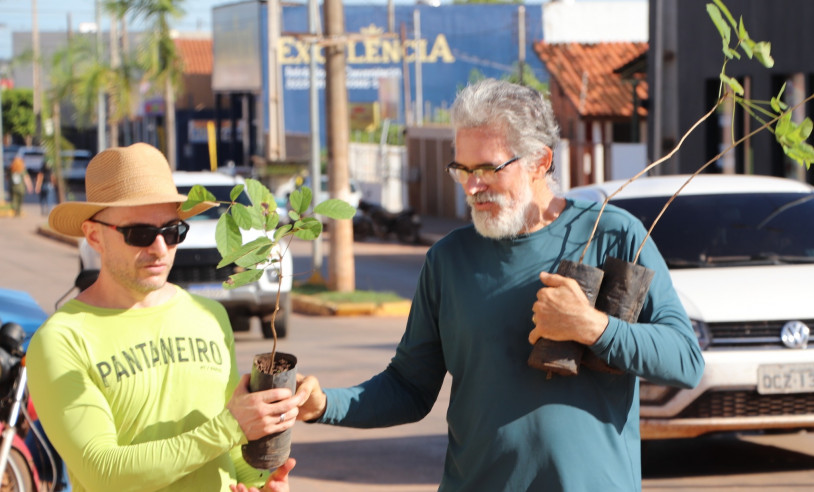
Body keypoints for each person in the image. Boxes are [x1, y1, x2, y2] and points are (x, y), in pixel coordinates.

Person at [293, 79, 705, 491]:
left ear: (540, 162)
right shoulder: (448, 260)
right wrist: (325, 404)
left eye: (488, 168)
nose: (472, 187)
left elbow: (685, 359)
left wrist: (591, 327)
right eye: (462, 170)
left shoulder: (615, 235)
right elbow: (409, 387)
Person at [26, 142, 301, 492]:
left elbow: (227, 454)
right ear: (94, 236)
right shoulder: (62, 339)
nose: (159, 248)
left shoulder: (210, 317)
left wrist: (262, 481)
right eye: (139, 234)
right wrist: (232, 426)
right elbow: (102, 471)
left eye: (172, 232)